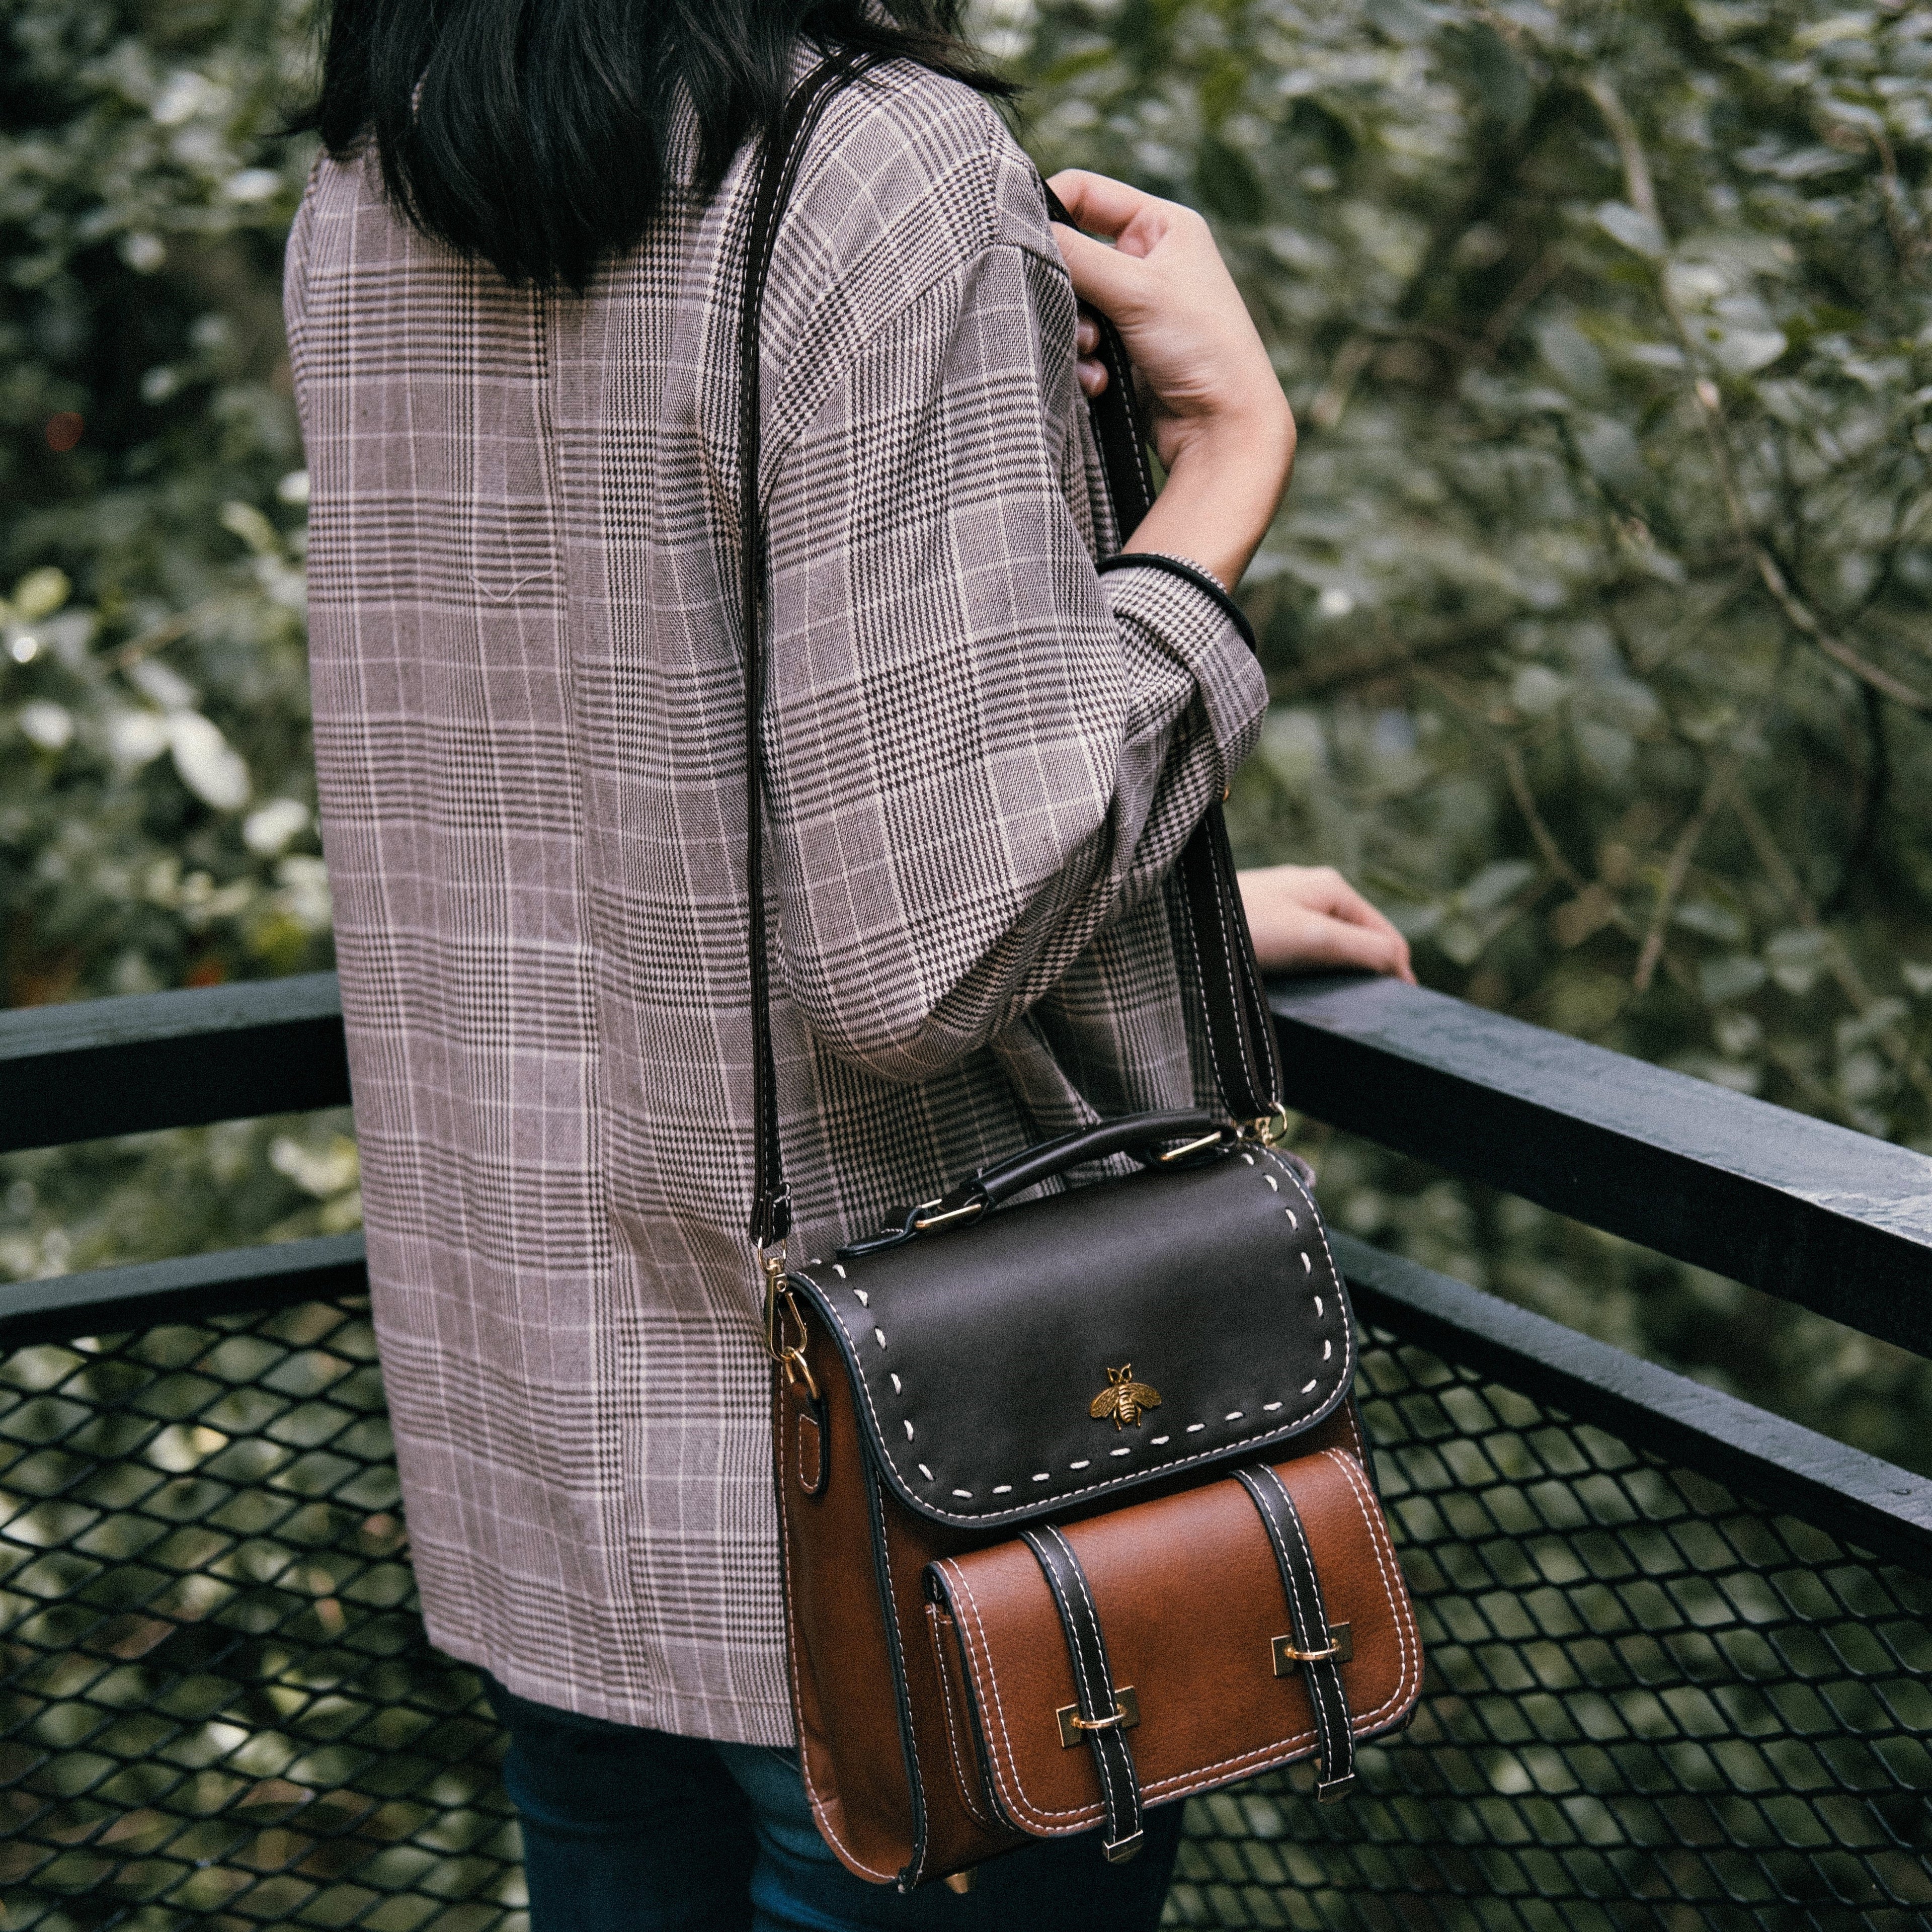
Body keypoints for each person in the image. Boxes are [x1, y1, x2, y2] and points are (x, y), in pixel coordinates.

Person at [286, 4, 1413, 1926]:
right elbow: (918, 951)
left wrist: (1180, 905)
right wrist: (1224, 462)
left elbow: (622, 813)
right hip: (908, 1549)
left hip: (557, 1499)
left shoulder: (368, 195)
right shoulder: (869, 167)